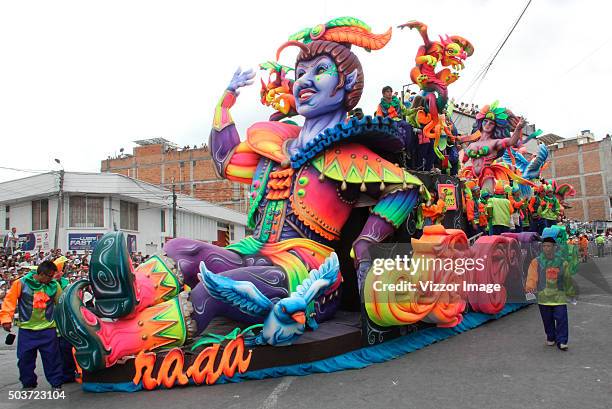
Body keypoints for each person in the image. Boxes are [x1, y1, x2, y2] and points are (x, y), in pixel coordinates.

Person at [0, 260, 64, 389]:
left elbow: (62, 304)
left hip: (48, 329)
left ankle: (56, 383)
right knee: (24, 360)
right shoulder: (21, 283)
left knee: (52, 359)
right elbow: (9, 301)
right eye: (50, 276)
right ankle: (28, 383)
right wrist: (6, 319)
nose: (52, 278)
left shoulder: (54, 285)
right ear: (42, 274)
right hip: (27, 330)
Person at [525, 237, 575, 351]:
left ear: (554, 247)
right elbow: (532, 276)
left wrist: (570, 292)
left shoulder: (562, 262)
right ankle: (551, 337)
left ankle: (562, 341)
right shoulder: (536, 262)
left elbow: (567, 278)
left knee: (562, 319)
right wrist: (530, 287)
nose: (546, 248)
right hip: (543, 297)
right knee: (547, 320)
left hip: (559, 296)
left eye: (549, 246)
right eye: (544, 246)